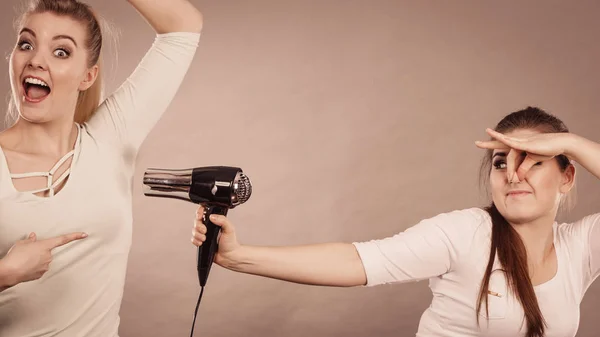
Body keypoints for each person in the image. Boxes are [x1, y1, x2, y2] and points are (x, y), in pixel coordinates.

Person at [192, 106, 600, 337]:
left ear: (567, 176)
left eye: (533, 160)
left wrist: (571, 144)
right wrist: (239, 257)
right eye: (500, 162)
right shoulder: (465, 234)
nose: (513, 174)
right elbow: (359, 262)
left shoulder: (579, 247)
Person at [0, 0, 203, 336]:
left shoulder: (109, 139)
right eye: (26, 44)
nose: (36, 60)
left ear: (88, 76)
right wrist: (5, 273)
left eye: (61, 51)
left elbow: (183, 25)